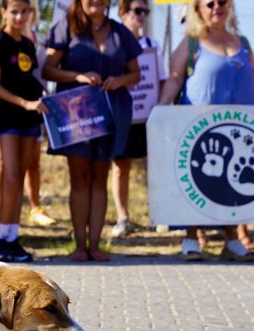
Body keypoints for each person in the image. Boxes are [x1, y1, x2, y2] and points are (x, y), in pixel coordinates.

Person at [160, 0, 254, 262]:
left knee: (233, 184)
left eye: (222, 2)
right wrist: (159, 109)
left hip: (239, 130)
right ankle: (191, 237)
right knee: (198, 180)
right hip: (199, 129)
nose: (217, 6)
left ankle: (231, 240)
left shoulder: (244, 43)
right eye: (210, 3)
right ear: (198, 9)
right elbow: (174, 78)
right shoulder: (191, 42)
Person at [42, 0, 141, 261]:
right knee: (79, 178)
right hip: (76, 114)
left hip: (111, 113)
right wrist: (77, 76)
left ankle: (95, 246)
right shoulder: (66, 27)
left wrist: (120, 80)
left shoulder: (121, 33)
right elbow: (47, 69)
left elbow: (136, 74)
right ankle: (79, 246)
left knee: (100, 177)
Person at [0, 0, 46, 262]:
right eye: (14, 11)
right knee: (10, 175)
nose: (20, 16)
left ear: (30, 13)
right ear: (4, 12)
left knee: (20, 175)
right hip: (7, 115)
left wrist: (37, 103)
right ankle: (1, 241)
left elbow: (30, 77)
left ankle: (13, 237)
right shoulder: (0, 42)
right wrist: (23, 103)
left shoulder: (28, 43)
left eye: (24, 11)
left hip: (30, 117)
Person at [110, 0, 165, 239]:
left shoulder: (152, 45)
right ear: (123, 13)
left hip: (147, 116)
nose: (141, 16)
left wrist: (160, 108)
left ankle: (160, 217)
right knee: (120, 167)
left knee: (153, 167)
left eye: (145, 11)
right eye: (137, 11)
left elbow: (160, 79)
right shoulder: (113, 44)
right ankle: (123, 218)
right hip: (123, 115)